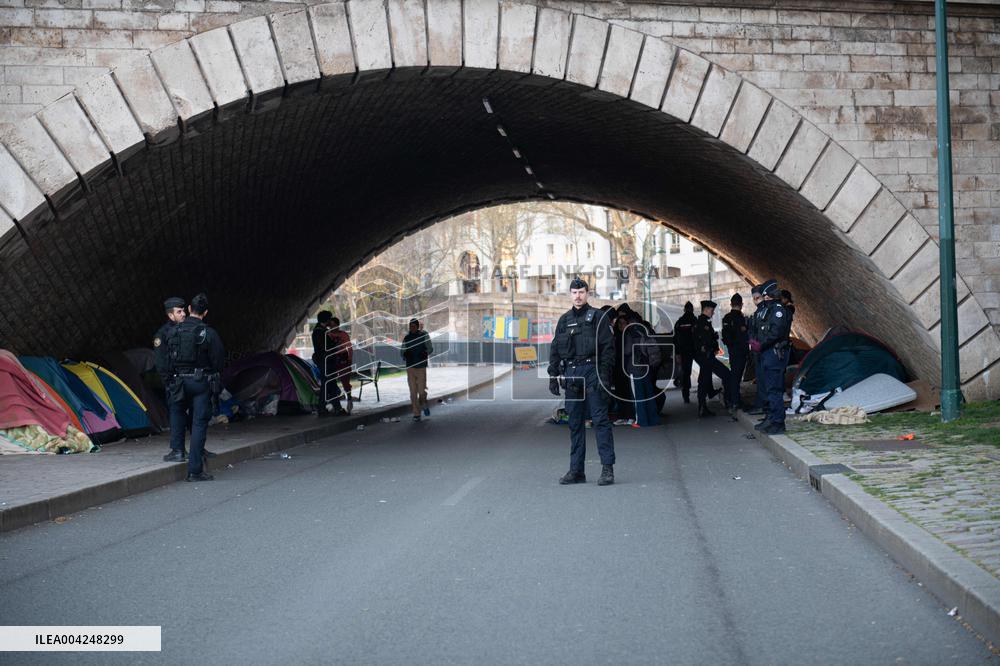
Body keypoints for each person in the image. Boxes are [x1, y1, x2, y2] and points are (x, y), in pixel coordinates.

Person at [548, 277, 616, 486]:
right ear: (570, 295)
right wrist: (553, 375)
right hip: (572, 374)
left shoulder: (597, 317)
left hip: (593, 372)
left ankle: (607, 470)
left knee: (600, 420)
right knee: (575, 424)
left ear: (588, 294)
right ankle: (576, 470)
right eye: (574, 293)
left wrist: (604, 377)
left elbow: (608, 349)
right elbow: (555, 349)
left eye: (581, 292)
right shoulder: (564, 320)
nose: (578, 296)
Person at [163, 294, 225, 481]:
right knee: (198, 425)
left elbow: (166, 359)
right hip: (200, 382)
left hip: (178, 382)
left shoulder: (173, 331)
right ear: (205, 312)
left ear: (189, 309)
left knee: (178, 416)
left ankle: (177, 450)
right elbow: (218, 362)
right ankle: (195, 470)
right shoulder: (208, 333)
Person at [750, 280, 792, 434]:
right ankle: (772, 418)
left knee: (774, 388)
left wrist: (760, 344)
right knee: (770, 388)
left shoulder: (778, 310)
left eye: (765, 295)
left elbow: (775, 333)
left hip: (774, 353)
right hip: (767, 353)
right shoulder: (769, 310)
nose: (764, 298)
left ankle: (778, 422)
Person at [155, 296, 187, 462]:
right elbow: (161, 362)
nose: (183, 314)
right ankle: (180, 449)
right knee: (178, 414)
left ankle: (179, 450)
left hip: (184, 380)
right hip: (176, 381)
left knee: (180, 415)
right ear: (170, 315)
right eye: (179, 311)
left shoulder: (187, 330)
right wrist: (168, 381)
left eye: (183, 311)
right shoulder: (163, 334)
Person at [622, 310, 661, 428]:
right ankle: (653, 419)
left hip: (635, 368)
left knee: (638, 395)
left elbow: (628, 350)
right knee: (649, 393)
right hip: (646, 366)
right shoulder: (645, 329)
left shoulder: (630, 332)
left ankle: (641, 420)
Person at [693, 300, 731, 418]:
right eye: (712, 310)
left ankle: (703, 406)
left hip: (706, 357)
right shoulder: (702, 323)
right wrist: (713, 342)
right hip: (706, 357)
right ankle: (728, 400)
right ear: (707, 309)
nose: (713, 313)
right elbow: (705, 341)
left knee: (704, 380)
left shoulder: (703, 322)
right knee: (726, 374)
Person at [312, 311, 347, 417]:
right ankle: (324, 409)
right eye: (330, 319)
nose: (331, 321)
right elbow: (325, 347)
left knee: (330, 385)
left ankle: (335, 408)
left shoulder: (321, 331)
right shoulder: (320, 332)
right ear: (326, 320)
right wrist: (336, 343)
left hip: (326, 361)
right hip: (326, 361)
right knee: (327, 385)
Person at [721, 293, 749, 416]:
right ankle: (735, 401)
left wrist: (731, 345)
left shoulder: (726, 318)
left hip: (733, 351)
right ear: (741, 305)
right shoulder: (743, 318)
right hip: (742, 351)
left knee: (735, 376)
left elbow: (726, 337)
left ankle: (734, 399)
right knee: (736, 377)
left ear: (731, 304)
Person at [402, 318, 432, 421]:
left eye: (414, 326)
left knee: (421, 390)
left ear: (417, 326)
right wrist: (405, 354)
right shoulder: (407, 338)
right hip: (410, 367)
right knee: (413, 392)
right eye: (410, 326)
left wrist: (425, 352)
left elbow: (430, 348)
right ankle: (416, 414)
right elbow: (402, 351)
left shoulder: (424, 335)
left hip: (421, 367)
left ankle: (424, 403)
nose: (412, 328)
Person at [746, 285, 767, 416]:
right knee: (760, 379)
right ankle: (761, 404)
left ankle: (765, 406)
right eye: (754, 298)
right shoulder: (757, 313)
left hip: (765, 351)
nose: (755, 300)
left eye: (757, 297)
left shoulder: (767, 311)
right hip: (758, 351)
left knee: (766, 380)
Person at [673, 301, 697, 403]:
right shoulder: (695, 320)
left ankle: (685, 395)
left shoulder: (679, 322)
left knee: (686, 372)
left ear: (684, 310)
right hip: (695, 349)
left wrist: (677, 353)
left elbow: (675, 339)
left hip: (684, 351)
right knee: (706, 369)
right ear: (692, 309)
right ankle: (708, 392)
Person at [328, 317, 354, 409]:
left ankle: (349, 399)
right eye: (330, 325)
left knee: (345, 381)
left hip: (343, 358)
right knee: (331, 381)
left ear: (338, 325)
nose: (332, 327)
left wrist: (350, 359)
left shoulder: (343, 334)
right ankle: (335, 402)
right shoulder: (327, 335)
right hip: (332, 359)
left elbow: (349, 347)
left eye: (334, 325)